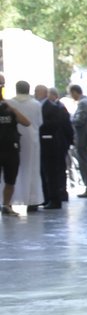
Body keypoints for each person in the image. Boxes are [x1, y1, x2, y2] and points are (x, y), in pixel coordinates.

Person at [37, 86, 74, 210]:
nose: (35, 93)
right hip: (46, 145)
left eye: (37, 91)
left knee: (53, 173)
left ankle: (56, 198)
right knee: (46, 172)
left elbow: (59, 125)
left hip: (53, 145)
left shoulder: (55, 108)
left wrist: (68, 142)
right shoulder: (41, 106)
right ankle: (47, 197)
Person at [10, 82, 43, 212]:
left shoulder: (10, 103)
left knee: (12, 171)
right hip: (31, 139)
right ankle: (32, 201)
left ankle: (9, 201)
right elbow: (40, 122)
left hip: (13, 139)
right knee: (32, 169)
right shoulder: (36, 104)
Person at [68, 84, 87, 199]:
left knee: (84, 164)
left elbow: (79, 120)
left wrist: (69, 118)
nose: (71, 96)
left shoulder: (83, 103)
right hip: (86, 138)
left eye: (71, 94)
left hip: (83, 139)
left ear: (75, 92)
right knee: (86, 163)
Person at [0, 76, 21, 216]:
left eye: (2, 83)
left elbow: (26, 122)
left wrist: (13, 109)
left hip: (10, 149)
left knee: (10, 180)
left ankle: (6, 205)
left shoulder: (8, 107)